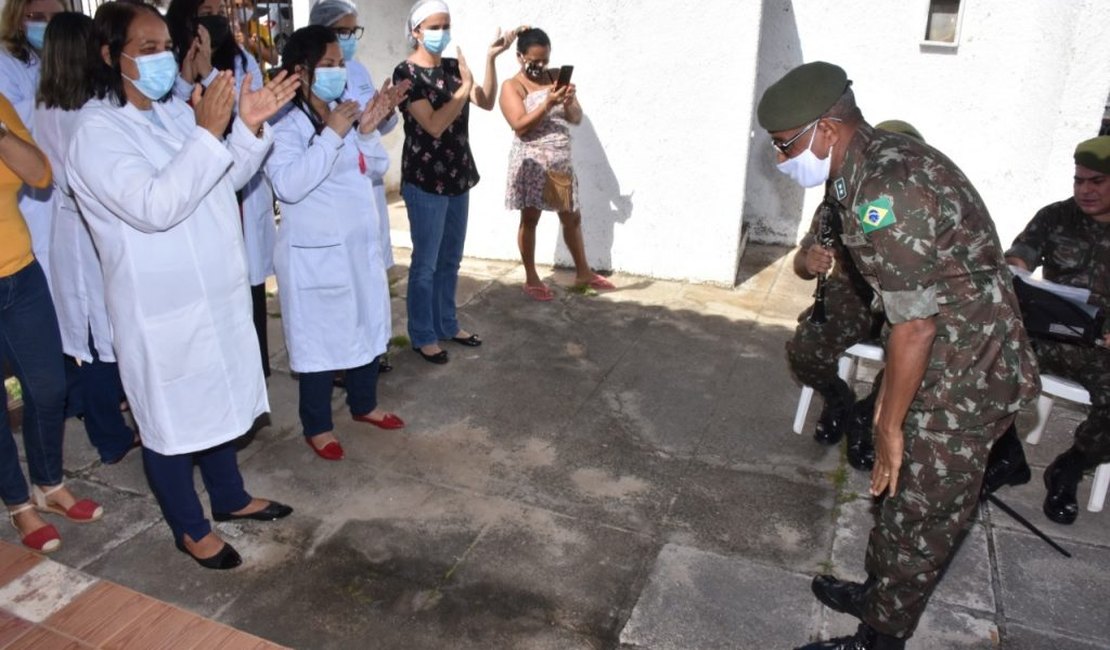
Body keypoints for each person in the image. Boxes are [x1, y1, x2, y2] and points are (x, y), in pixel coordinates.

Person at [757, 61, 1039, 649]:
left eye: (786, 146)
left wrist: (887, 422)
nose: (783, 161)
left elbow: (915, 324)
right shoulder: (860, 168)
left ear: (826, 131)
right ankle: (879, 591)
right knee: (896, 494)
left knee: (922, 514)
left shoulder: (888, 186)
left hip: (969, 371)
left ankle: (878, 638)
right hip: (938, 351)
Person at [67, 1, 299, 569]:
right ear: (108, 54)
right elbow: (155, 207)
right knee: (170, 419)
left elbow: (221, 178)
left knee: (216, 400)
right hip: (159, 307)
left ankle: (230, 497)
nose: (163, 58)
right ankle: (189, 528)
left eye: (165, 46)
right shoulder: (95, 131)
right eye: (146, 49)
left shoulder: (173, 113)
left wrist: (246, 129)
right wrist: (208, 133)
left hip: (211, 292)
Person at [267, 26, 409, 461]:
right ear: (300, 72)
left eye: (339, 63)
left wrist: (365, 132)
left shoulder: (341, 112)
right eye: (327, 64)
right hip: (315, 254)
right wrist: (332, 135)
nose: (337, 70)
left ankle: (364, 403)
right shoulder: (283, 125)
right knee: (319, 339)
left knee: (367, 323)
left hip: (355, 246)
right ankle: (317, 425)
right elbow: (289, 185)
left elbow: (374, 168)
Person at [0, 92, 103, 553]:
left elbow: (39, 173)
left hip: (20, 272)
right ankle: (19, 503)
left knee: (48, 387)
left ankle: (48, 482)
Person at [35, 12, 138, 466]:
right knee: (101, 342)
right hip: (88, 229)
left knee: (102, 336)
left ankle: (113, 418)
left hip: (75, 229)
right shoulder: (87, 110)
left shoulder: (48, 103)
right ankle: (111, 437)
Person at [392, 0, 517, 364]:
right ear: (416, 31)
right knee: (425, 263)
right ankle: (422, 334)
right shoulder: (406, 74)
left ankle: (447, 323)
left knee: (450, 260)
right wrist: (462, 91)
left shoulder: (452, 67)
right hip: (425, 179)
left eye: (445, 25)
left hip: (458, 174)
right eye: (433, 26)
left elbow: (487, 100)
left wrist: (490, 59)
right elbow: (432, 124)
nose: (441, 33)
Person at [167, 0, 276, 377]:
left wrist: (211, 71)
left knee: (248, 287)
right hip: (196, 188)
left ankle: (254, 373)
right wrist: (190, 73)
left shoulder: (241, 58)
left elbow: (248, 116)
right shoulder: (169, 62)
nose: (213, 17)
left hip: (239, 181)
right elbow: (173, 117)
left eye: (218, 8)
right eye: (205, 9)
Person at [1005, 135, 1110, 525]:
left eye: (1096, 181)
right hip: (1048, 336)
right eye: (1078, 180)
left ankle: (1071, 465)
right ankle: (1006, 453)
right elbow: (1021, 254)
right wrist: (1016, 267)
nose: (1085, 190)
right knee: (989, 360)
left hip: (1102, 348)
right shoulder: (1056, 216)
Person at [310, 0, 400, 374]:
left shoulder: (357, 69)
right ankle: (345, 364)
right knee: (342, 286)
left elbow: (376, 131)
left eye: (352, 32)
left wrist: (385, 115)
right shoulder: (313, 83)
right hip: (335, 193)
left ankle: (368, 352)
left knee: (368, 278)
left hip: (368, 186)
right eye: (341, 31)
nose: (348, 41)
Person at [499, 27, 614, 301]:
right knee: (530, 218)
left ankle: (583, 271)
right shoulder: (512, 86)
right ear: (519, 57)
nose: (540, 67)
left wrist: (570, 101)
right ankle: (531, 277)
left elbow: (574, 118)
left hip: (559, 162)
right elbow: (519, 126)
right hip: (532, 164)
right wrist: (547, 103)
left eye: (545, 61)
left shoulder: (555, 79)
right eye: (534, 61)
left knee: (571, 217)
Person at [0, 0, 64, 276]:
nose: (47, 24)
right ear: (17, 18)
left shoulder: (56, 61)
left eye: (55, 18)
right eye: (37, 16)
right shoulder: (4, 63)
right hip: (28, 201)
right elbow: (18, 126)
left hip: (59, 191)